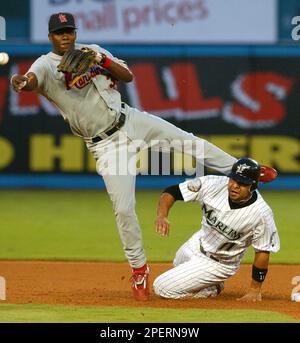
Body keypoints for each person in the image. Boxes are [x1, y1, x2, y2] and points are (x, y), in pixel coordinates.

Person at [11, 13, 274, 301]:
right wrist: (21, 81)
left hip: (131, 120)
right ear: (50, 37)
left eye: (69, 31)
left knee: (191, 143)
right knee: (123, 208)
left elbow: (127, 76)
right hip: (106, 145)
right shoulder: (45, 65)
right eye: (59, 32)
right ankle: (139, 270)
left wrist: (102, 60)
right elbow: (30, 80)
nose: (65, 36)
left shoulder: (93, 51)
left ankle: (250, 170)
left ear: (75, 32)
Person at [153, 158, 280, 301]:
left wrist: (255, 290)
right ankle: (210, 284)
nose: (234, 186)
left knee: (161, 287)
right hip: (196, 244)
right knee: (177, 263)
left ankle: (212, 288)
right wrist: (162, 215)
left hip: (219, 263)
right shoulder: (212, 183)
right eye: (233, 179)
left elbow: (263, 251)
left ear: (253, 186)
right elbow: (172, 192)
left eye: (242, 183)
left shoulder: (261, 214)